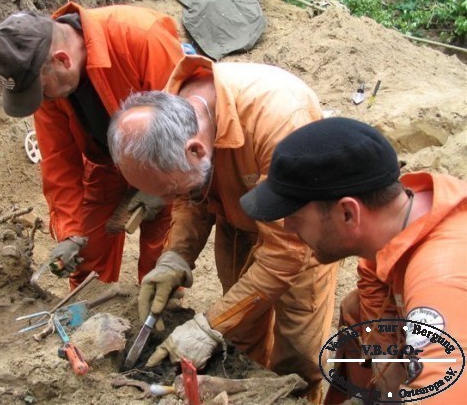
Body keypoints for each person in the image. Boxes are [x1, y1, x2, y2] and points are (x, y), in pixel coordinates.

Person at [107, 55, 340, 403]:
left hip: (302, 233)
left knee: (298, 356)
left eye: (169, 190)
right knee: (240, 336)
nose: (171, 198)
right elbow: (190, 197)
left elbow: (286, 252)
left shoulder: (278, 119)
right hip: (235, 221)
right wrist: (174, 258)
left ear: (197, 149)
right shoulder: (169, 115)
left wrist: (209, 325)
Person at [240, 117, 467, 404]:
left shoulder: (439, 277)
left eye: (295, 217)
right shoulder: (393, 233)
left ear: (348, 213)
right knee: (356, 310)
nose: (287, 228)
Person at [0, 3, 187, 288]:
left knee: (160, 259)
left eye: (41, 92)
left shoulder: (141, 38)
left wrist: (166, 184)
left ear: (63, 60)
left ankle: (157, 317)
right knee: (85, 258)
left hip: (164, 160)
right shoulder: (44, 82)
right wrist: (69, 233)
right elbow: (58, 161)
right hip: (106, 162)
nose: (40, 102)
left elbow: (189, 123)